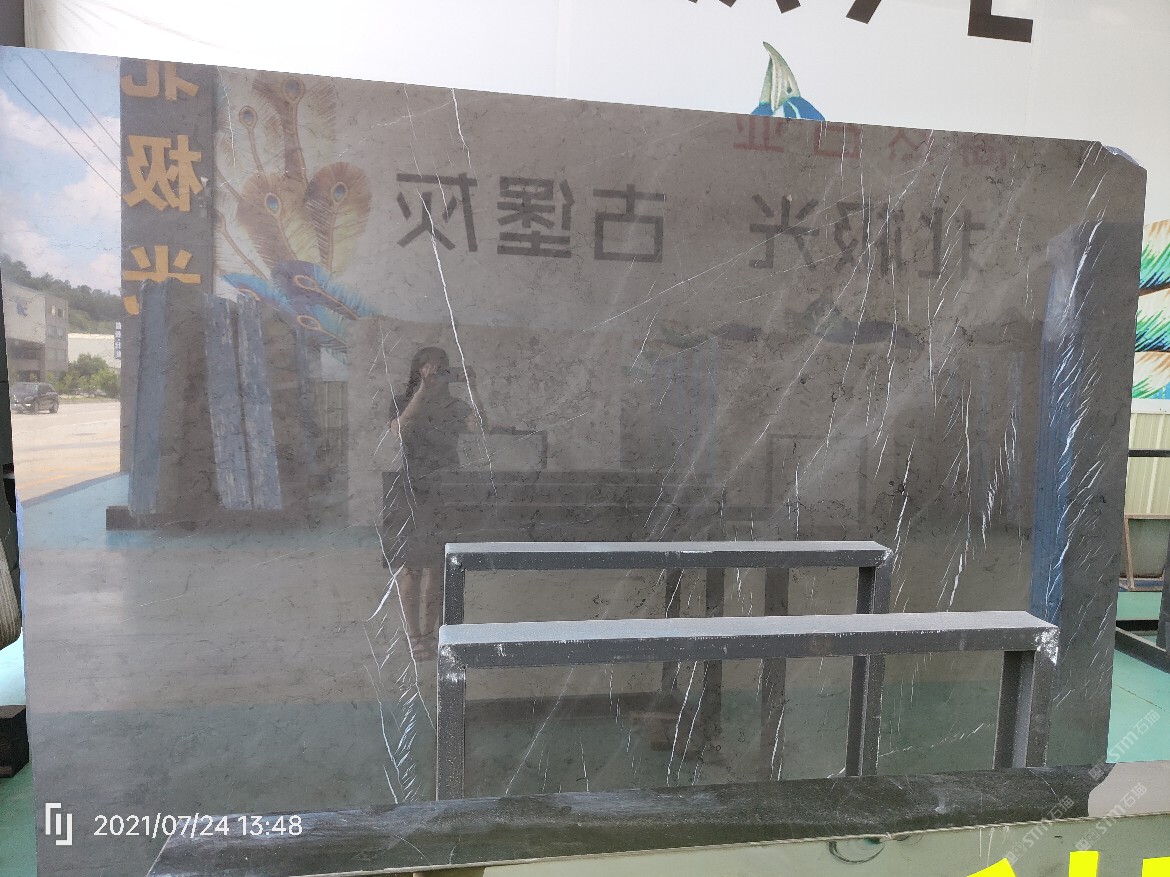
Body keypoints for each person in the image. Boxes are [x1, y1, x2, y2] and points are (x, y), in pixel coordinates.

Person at [387, 346, 481, 661]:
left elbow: (479, 428)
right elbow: (400, 430)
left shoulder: (455, 406)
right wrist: (421, 392)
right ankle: (414, 635)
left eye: (440, 367)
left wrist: (473, 387)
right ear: (417, 370)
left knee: (438, 566)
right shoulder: (401, 401)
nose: (434, 372)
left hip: (447, 488)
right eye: (427, 366)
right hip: (412, 488)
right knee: (412, 566)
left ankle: (430, 633)